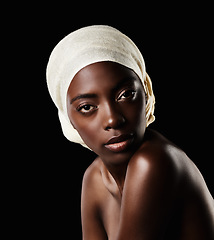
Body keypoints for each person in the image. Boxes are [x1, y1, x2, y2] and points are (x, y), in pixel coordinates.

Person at [46, 25, 214, 240]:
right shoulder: (94, 179)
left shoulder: (154, 161)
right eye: (87, 107)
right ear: (68, 121)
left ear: (146, 92)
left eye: (126, 94)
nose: (113, 119)